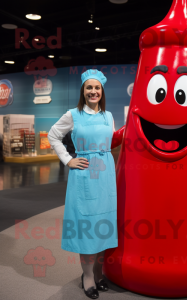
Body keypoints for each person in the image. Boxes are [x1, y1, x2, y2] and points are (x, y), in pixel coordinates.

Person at [48, 69, 119, 299]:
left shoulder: (108, 116)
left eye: (97, 87)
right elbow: (53, 135)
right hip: (85, 175)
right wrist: (68, 159)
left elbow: (112, 141)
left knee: (103, 226)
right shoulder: (73, 114)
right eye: (89, 87)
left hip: (105, 177)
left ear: (102, 91)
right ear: (83, 91)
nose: (93, 91)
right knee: (87, 229)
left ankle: (99, 273)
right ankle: (87, 277)